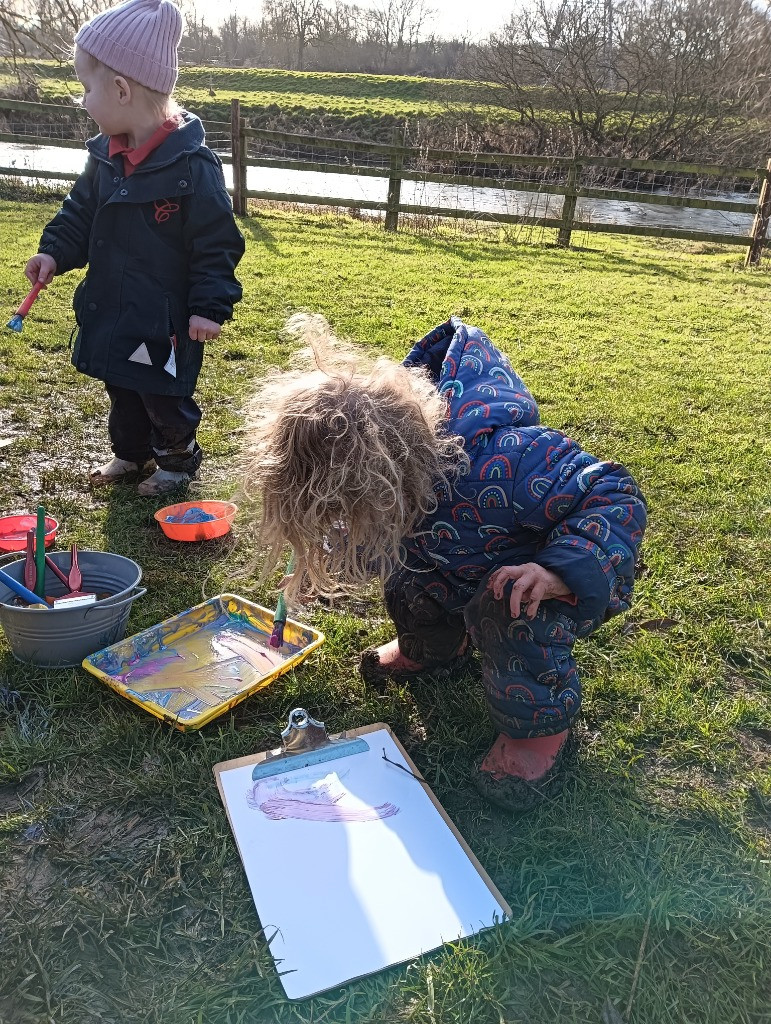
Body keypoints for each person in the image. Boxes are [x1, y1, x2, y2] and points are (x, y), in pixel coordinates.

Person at [242, 314, 647, 813]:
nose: (346, 523)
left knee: (509, 616)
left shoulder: (507, 461)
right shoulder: (393, 494)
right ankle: (434, 648)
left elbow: (612, 492)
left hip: (537, 587)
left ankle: (535, 734)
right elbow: (372, 543)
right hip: (451, 565)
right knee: (406, 582)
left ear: (389, 478)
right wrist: (324, 566)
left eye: (351, 511)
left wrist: (560, 569)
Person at [24, 0, 245, 496]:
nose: (83, 101)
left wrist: (209, 307)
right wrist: (54, 252)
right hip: (113, 302)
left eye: (87, 88)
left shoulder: (192, 165)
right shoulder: (104, 157)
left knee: (159, 390)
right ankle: (130, 453)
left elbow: (217, 242)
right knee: (120, 384)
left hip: (162, 317)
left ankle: (176, 459)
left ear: (121, 89)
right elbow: (79, 213)